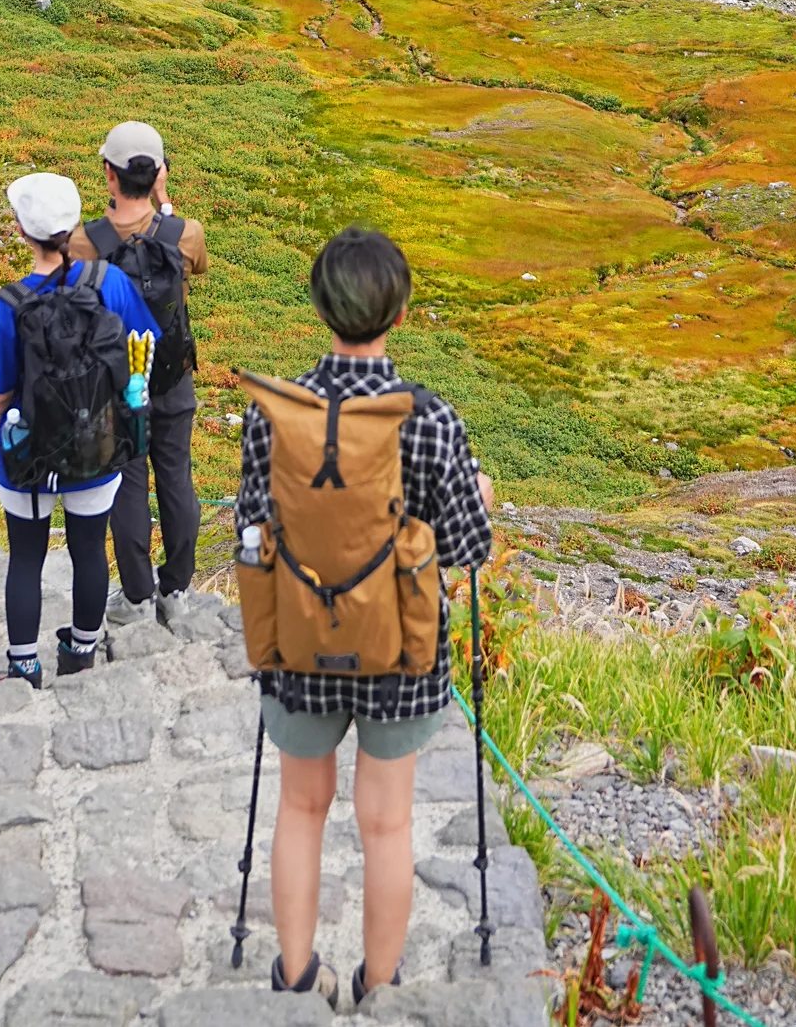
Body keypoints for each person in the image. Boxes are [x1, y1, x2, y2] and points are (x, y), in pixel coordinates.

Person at [238, 225, 493, 1007]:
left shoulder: (275, 414)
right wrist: (478, 496)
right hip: (401, 651)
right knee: (387, 825)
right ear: (400, 312)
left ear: (321, 307)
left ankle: (293, 974)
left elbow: (252, 526)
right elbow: (466, 550)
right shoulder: (432, 420)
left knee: (300, 807)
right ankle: (380, 985)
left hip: (298, 646)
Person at [0, 171, 154, 684]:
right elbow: (145, 342)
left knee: (25, 557)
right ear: (75, 223)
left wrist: (4, 431)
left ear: (21, 230)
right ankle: (81, 653)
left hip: (29, 456)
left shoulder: (8, 305)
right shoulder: (110, 284)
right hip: (97, 445)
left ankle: (23, 666)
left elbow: (2, 390)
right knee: (88, 549)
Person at [72, 120, 207, 618]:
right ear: (157, 175)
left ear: (109, 174)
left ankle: (135, 593)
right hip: (173, 379)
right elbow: (196, 265)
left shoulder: (86, 242)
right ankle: (176, 590)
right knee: (176, 479)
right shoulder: (186, 234)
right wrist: (164, 203)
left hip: (115, 386)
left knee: (128, 484)